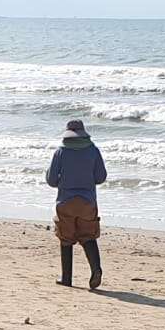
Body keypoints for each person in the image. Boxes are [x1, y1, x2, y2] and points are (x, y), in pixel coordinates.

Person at [46, 119, 108, 289]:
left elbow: (51, 180)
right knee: (88, 236)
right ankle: (96, 269)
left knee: (65, 238)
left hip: (65, 201)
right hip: (87, 201)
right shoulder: (93, 151)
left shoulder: (60, 152)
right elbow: (101, 177)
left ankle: (67, 278)